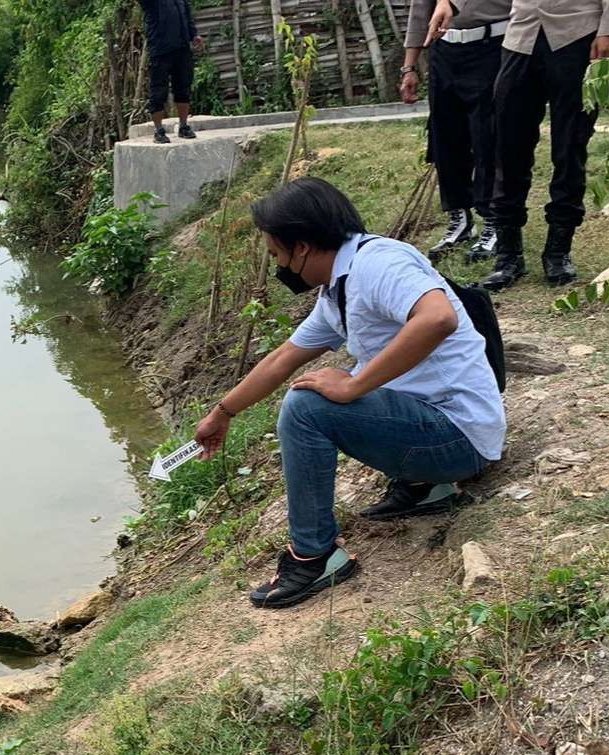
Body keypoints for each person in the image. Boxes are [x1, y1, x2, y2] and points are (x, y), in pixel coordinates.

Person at [194, 178, 505, 610]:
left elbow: (438, 319)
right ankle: (425, 487)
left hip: (458, 438)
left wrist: (356, 385)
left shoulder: (378, 264)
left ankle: (315, 556)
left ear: (300, 247)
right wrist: (223, 412)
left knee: (306, 406)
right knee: (324, 385)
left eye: (275, 254)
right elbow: (284, 358)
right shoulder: (339, 289)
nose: (276, 265)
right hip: (441, 431)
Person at [427, 0, 609, 290]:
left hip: (578, 34)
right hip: (520, 36)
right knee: (508, 147)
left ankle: (558, 252)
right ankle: (508, 257)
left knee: (570, 147)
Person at [401, 0, 512, 262]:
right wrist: (409, 66)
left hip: (491, 47)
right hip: (444, 50)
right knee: (445, 137)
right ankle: (459, 218)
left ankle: (493, 220)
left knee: (488, 137)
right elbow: (420, 9)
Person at [139, 0, 205, 144]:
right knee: (158, 92)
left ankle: (183, 126)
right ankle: (158, 130)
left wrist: (194, 35)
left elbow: (187, 15)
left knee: (183, 88)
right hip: (160, 50)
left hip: (182, 48)